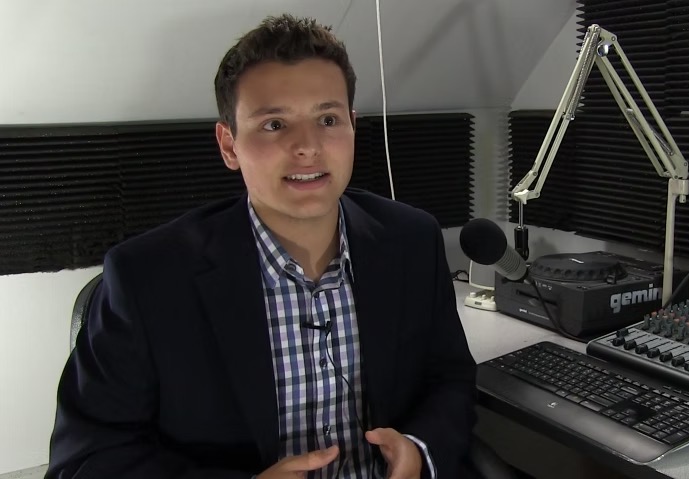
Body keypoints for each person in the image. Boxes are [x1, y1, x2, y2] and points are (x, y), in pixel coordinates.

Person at [46, 13, 477, 479]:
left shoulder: (412, 240)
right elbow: (86, 461)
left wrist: (419, 451)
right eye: (274, 124)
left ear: (352, 127)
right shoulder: (147, 278)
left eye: (328, 119)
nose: (308, 147)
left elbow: (449, 379)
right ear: (229, 145)